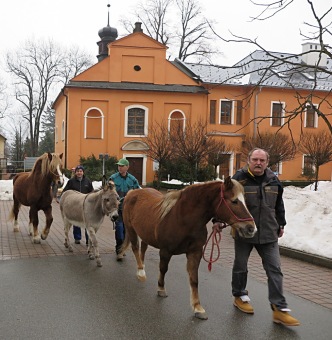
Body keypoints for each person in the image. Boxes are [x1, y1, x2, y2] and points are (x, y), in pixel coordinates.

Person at [231, 148, 300, 327]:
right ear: (249, 160)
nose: (258, 163)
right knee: (240, 266)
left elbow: (279, 205)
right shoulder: (239, 179)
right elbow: (226, 202)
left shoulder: (273, 180)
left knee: (275, 269)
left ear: (267, 162)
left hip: (269, 233)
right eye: (255, 159)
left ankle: (279, 308)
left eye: (262, 160)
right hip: (245, 232)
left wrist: (281, 223)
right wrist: (217, 220)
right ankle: (239, 296)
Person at [110, 158, 140, 261]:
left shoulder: (132, 180)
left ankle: (123, 249)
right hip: (118, 209)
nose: (120, 167)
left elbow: (138, 193)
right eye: (118, 166)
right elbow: (107, 191)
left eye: (122, 166)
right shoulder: (113, 178)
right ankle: (119, 251)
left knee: (127, 230)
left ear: (127, 167)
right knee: (119, 229)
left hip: (129, 210)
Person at [61, 165, 94, 245]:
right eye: (78, 171)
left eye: (81, 171)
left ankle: (88, 240)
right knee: (76, 222)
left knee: (88, 223)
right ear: (75, 172)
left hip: (86, 205)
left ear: (83, 172)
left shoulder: (87, 181)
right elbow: (65, 191)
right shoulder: (71, 181)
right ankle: (77, 238)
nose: (79, 173)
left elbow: (92, 192)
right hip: (75, 204)